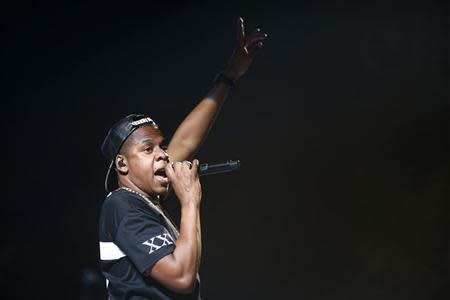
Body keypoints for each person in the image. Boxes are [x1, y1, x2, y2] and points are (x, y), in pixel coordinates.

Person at [98, 17, 267, 300]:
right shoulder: (122, 204)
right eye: (148, 149)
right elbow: (182, 278)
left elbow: (186, 141)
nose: (164, 155)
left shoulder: (145, 199)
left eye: (162, 147)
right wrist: (189, 200)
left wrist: (229, 76)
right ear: (122, 164)